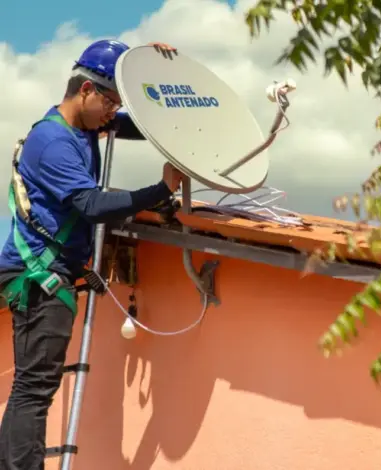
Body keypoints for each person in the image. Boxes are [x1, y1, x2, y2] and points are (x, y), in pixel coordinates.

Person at [0, 39, 185, 470]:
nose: (113, 113)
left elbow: (144, 124)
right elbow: (91, 205)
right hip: (38, 277)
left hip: (52, 271)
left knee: (34, 384)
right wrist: (158, 191)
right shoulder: (53, 141)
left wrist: (155, 72)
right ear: (85, 91)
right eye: (109, 102)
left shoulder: (85, 127)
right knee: (35, 385)